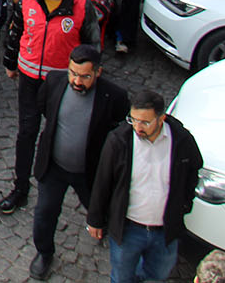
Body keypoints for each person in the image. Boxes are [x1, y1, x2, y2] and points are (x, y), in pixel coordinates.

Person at [0, 0, 99, 215]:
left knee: (62, 135)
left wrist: (88, 77)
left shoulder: (82, 5)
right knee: (26, 133)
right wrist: (10, 62)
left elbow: (92, 45)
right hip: (30, 77)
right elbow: (17, 29)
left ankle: (77, 192)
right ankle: (20, 188)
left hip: (62, 82)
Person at [26, 45, 129, 280]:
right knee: (45, 213)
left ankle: (102, 229)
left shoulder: (114, 96)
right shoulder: (54, 81)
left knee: (99, 207)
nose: (77, 81)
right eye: (73, 73)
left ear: (98, 73)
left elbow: (119, 127)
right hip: (54, 167)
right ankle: (44, 252)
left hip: (90, 172)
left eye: (84, 76)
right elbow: (44, 109)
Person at [86, 89, 203, 283]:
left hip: (165, 231)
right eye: (133, 120)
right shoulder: (119, 140)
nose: (138, 127)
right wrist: (95, 219)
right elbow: (103, 180)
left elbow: (194, 169)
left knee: (157, 277)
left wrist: (184, 205)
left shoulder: (181, 140)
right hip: (128, 229)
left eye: (145, 122)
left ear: (161, 118)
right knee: (121, 277)